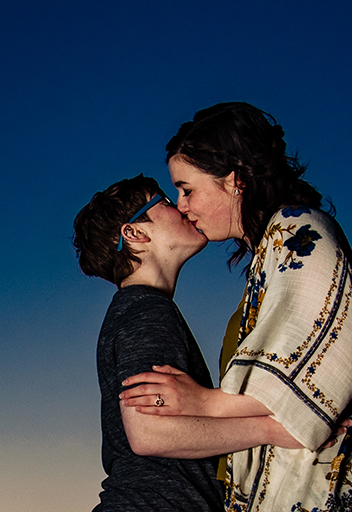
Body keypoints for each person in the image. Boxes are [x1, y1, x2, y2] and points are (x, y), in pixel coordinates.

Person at [119, 103, 352, 512]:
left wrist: (204, 402)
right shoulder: (269, 254)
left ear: (234, 180)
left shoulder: (302, 231)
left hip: (325, 489)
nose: (182, 205)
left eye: (188, 189)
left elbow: (319, 372)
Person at [74, 174, 302, 511]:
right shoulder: (146, 311)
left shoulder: (138, 309)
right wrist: (272, 429)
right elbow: (148, 432)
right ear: (136, 233)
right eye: (165, 201)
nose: (183, 206)